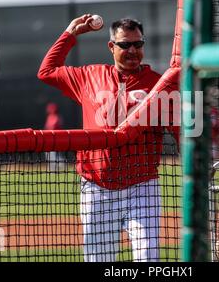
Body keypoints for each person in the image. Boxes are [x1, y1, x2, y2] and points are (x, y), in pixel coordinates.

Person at [37, 14, 176, 262]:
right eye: (124, 45)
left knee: (148, 257)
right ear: (112, 47)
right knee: (98, 259)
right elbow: (46, 71)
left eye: (138, 44)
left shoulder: (159, 84)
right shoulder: (89, 77)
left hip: (142, 186)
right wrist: (70, 33)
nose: (132, 50)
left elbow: (181, 132)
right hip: (96, 187)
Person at [44, 102, 64, 171]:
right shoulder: (50, 117)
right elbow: (47, 128)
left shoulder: (57, 117)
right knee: (49, 154)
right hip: (50, 139)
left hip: (56, 139)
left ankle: (61, 165)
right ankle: (53, 168)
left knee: (54, 154)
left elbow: (53, 127)